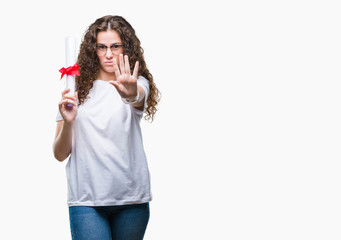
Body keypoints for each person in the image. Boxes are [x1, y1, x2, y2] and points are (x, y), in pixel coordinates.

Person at [53, 15, 160, 240]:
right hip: (86, 201)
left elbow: (136, 96)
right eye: (102, 47)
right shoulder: (74, 89)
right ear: (94, 49)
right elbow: (60, 154)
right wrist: (69, 122)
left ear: (126, 48)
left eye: (115, 46)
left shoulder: (136, 82)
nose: (108, 54)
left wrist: (130, 93)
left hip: (131, 200)